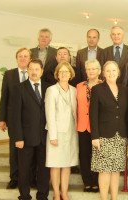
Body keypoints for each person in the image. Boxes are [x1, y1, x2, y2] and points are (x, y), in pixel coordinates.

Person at [11, 59, 50, 200]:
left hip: (44, 137)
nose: (34, 72)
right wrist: (18, 138)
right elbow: (14, 116)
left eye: (37, 69)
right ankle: (24, 195)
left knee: (44, 169)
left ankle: (42, 195)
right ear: (27, 70)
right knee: (24, 169)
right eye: (31, 69)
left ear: (42, 71)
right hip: (25, 138)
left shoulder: (48, 88)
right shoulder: (19, 88)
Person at [90, 61, 128, 200]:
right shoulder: (97, 89)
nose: (111, 73)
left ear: (118, 72)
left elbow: (126, 113)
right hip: (103, 136)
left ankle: (114, 198)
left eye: (114, 70)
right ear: (103, 73)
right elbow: (93, 115)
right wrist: (95, 136)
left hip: (120, 136)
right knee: (105, 170)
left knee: (116, 170)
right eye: (108, 71)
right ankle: (104, 198)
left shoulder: (124, 89)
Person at [0, 48, 31, 189]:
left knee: (30, 150)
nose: (23, 58)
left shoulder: (34, 73)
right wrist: (1, 118)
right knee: (14, 150)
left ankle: (31, 178)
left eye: (25, 56)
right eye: (20, 56)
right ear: (16, 58)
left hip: (31, 121)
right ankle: (14, 178)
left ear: (30, 59)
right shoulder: (9, 74)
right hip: (13, 120)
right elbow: (4, 97)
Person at [45, 61, 79, 200]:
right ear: (57, 75)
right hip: (57, 133)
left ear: (71, 74)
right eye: (61, 72)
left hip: (71, 132)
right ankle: (56, 193)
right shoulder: (52, 90)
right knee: (55, 164)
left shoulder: (74, 90)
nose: (64, 74)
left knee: (67, 164)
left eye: (67, 71)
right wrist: (53, 136)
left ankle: (64, 193)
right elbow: (50, 114)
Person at [76, 59, 102, 193]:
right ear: (85, 71)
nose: (91, 71)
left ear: (99, 71)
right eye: (88, 69)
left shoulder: (104, 86)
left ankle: (95, 181)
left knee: (97, 155)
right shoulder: (79, 86)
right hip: (82, 126)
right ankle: (87, 182)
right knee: (84, 155)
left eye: (94, 69)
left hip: (98, 127)